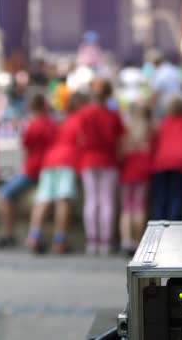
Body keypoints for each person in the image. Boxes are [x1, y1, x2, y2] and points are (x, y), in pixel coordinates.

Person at [26, 93, 89, 254]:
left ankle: (34, 236)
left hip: (50, 160)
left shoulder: (63, 120)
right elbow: (83, 141)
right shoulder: (82, 120)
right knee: (63, 200)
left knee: (43, 199)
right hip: (68, 160)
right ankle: (60, 240)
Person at [0, 94, 57, 249]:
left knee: (4, 195)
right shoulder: (52, 124)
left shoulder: (34, 125)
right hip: (49, 167)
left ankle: (7, 234)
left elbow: (26, 148)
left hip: (33, 169)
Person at [78, 81, 125, 255]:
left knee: (91, 201)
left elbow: (80, 138)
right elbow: (120, 141)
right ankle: (105, 241)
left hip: (89, 159)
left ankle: (92, 241)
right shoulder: (113, 115)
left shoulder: (85, 114)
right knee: (107, 201)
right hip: (109, 160)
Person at [150, 96, 182, 221]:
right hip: (180, 164)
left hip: (161, 163)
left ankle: (158, 225)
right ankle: (172, 225)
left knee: (160, 198)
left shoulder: (163, 123)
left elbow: (155, 142)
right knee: (176, 196)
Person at [119, 102, 153, 256]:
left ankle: (127, 241)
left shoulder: (126, 129)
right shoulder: (148, 128)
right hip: (143, 169)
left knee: (127, 208)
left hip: (128, 169)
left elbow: (121, 150)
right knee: (139, 207)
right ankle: (139, 240)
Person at [146, 49, 182, 121]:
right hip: (179, 105)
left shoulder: (159, 75)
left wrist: (149, 108)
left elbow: (154, 95)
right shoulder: (173, 69)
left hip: (168, 108)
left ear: (153, 63)